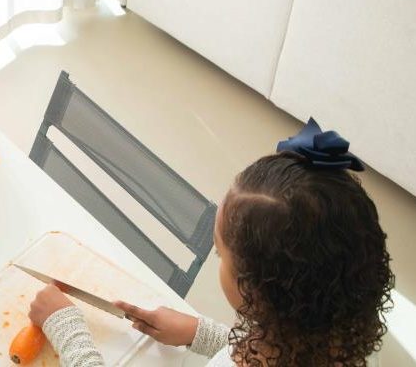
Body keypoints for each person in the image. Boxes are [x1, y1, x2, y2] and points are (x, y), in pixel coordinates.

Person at [29, 119, 394, 366]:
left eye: (220, 253)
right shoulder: (331, 335)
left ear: (257, 290)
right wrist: (200, 333)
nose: (216, 258)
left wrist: (69, 331)